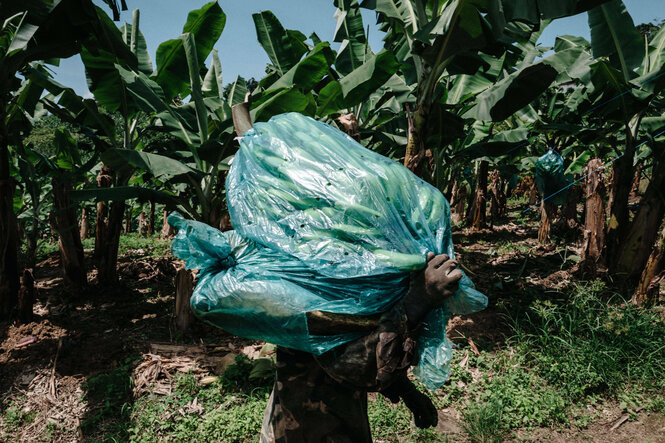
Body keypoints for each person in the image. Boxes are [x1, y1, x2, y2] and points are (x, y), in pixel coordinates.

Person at [260, 252, 463, 442]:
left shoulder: (339, 268)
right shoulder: (319, 277)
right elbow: (350, 365)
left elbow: (356, 340)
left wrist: (406, 390)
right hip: (308, 426)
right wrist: (419, 299)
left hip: (334, 411)